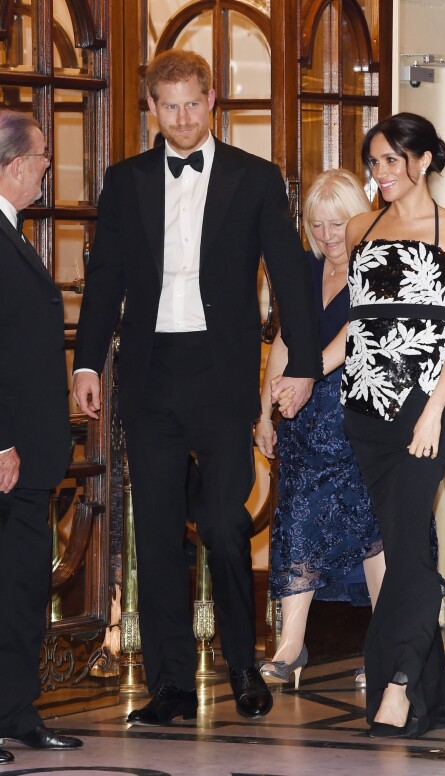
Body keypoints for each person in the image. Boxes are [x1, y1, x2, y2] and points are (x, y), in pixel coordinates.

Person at [72, 50, 322, 724]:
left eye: (192, 103)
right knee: (154, 534)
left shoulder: (255, 178)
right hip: (150, 378)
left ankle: (242, 664)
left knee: (222, 522)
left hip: (221, 377)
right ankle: (172, 685)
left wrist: (302, 367)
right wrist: (88, 363)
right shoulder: (124, 182)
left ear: (212, 100)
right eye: (168, 105)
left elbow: (290, 275)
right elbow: (106, 281)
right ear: (152, 107)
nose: (181, 117)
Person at [340, 113, 445, 737]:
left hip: (433, 410)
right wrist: (301, 374)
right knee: (405, 544)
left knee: (406, 551)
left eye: (393, 161)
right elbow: (357, 325)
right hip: (366, 408)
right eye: (374, 163)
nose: (382, 174)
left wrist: (431, 412)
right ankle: (437, 694)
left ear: (423, 161)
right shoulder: (356, 229)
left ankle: (397, 683)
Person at [255, 170, 385, 688]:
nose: (330, 234)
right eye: (318, 223)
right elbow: (288, 340)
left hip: (360, 413)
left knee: (372, 531)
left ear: (358, 219)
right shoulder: (305, 270)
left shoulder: (377, 269)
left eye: (339, 222)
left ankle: (386, 644)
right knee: (297, 523)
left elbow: (355, 339)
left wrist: (306, 376)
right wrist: (264, 410)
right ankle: (291, 644)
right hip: (304, 416)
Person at [0, 110, 83, 764]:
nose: (49, 166)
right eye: (44, 157)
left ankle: (15, 710)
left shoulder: (14, 233)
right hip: (7, 455)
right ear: (15, 165)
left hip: (28, 460)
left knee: (22, 586)